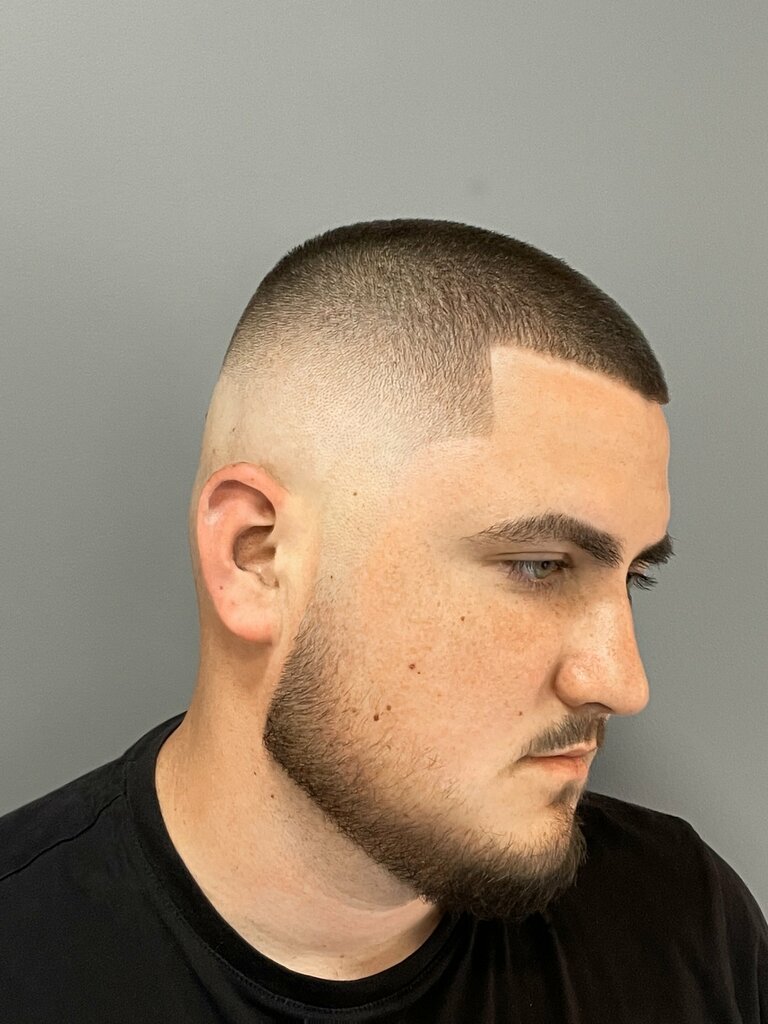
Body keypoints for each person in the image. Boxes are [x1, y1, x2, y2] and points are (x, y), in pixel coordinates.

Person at [1, 219, 765, 1023]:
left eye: (634, 576)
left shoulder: (680, 925)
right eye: (539, 565)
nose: (623, 683)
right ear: (255, 558)